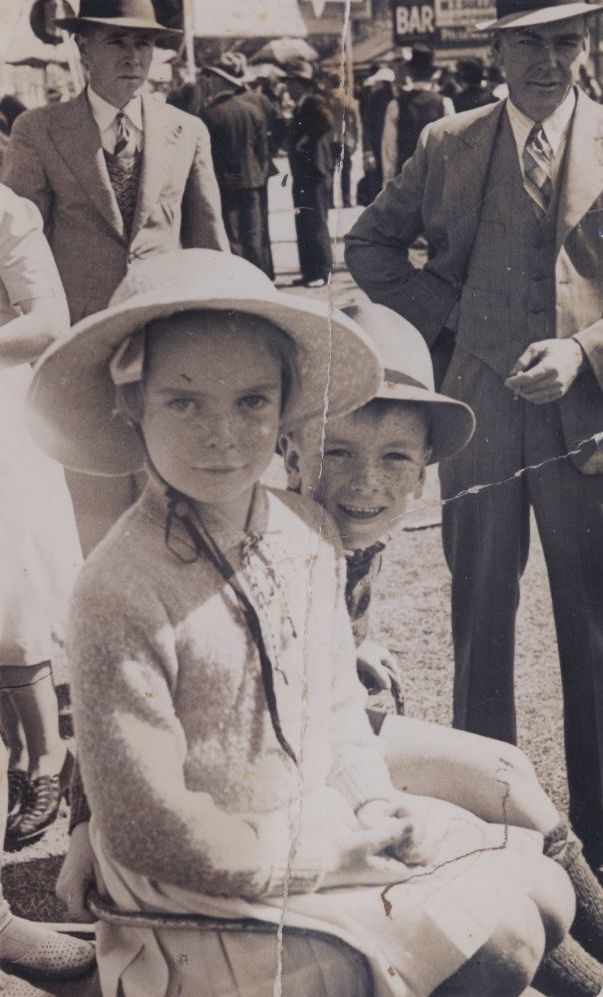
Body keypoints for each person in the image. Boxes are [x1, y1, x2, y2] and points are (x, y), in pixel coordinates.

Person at [30, 248, 574, 997]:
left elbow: (336, 712)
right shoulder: (119, 586)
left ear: (284, 407)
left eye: (250, 401)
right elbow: (152, 824)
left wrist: (371, 801)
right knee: (502, 940)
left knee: (542, 884)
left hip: (310, 814)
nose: (221, 434)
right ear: (133, 404)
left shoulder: (303, 530)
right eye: (184, 402)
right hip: (205, 885)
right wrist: (335, 852)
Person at [345, 0, 603, 876]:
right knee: (479, 617)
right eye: (528, 41)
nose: (548, 59)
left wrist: (580, 348)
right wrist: (454, 327)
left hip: (587, 424)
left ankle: (596, 844)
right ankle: (488, 834)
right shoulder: (446, 143)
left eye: (565, 40)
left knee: (593, 627)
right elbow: (371, 248)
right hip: (476, 422)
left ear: (586, 44)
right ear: (493, 47)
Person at [281, 301, 603, 997]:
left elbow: (324, 634)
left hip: (321, 725)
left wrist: (353, 646)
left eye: (394, 457)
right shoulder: (274, 530)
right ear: (290, 449)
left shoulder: (344, 520)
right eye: (336, 451)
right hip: (285, 768)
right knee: (483, 847)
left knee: (507, 769)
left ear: (425, 470)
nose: (365, 481)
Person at [2, 0, 229, 557]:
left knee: (174, 503)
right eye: (115, 42)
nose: (133, 56)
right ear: (82, 48)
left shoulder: (187, 130)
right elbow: (15, 254)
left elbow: (210, 242)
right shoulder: (39, 131)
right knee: (94, 513)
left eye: (143, 44)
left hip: (167, 346)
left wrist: (227, 335)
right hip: (79, 352)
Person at [0, 185, 83, 850]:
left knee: (11, 595)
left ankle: (45, 759)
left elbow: (47, 321)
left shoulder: (6, 211)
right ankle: (17, 757)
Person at [199, 58, 270, 273]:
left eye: (213, 78)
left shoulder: (209, 114)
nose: (209, 82)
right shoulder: (252, 110)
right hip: (253, 180)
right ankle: (260, 277)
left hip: (227, 182)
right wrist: (258, 174)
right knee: (254, 233)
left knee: (233, 233)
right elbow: (263, 150)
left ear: (222, 81)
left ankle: (239, 278)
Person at [285, 60, 334, 288]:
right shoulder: (302, 105)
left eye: (291, 83)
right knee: (304, 221)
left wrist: (306, 140)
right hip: (303, 174)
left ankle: (322, 272)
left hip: (315, 172)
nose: (288, 88)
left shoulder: (314, 102)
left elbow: (327, 122)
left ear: (301, 84)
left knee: (315, 223)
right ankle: (309, 271)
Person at [381, 47, 454, 187]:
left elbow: (389, 149)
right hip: (437, 177)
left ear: (409, 73)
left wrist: (388, 182)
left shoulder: (396, 105)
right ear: (432, 75)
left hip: (406, 177)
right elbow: (452, 143)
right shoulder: (444, 103)